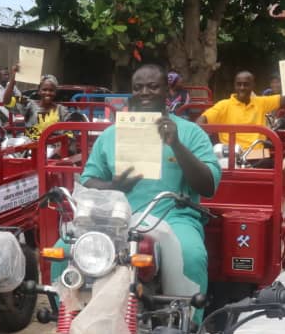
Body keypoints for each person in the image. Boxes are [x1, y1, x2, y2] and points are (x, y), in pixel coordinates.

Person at [71, 64, 220, 301]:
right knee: (66, 247)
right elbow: (88, 179)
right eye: (138, 87)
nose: (145, 92)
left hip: (173, 217)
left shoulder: (190, 132)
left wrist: (176, 145)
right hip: (116, 217)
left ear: (168, 92)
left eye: (153, 86)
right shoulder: (112, 133)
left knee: (191, 255)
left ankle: (188, 324)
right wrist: (113, 187)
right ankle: (69, 319)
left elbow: (208, 186)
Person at [198, 71, 285, 152]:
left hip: (256, 154)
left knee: (278, 167)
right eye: (239, 84)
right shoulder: (223, 105)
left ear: (253, 86)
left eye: (246, 84)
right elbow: (202, 120)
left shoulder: (261, 102)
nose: (242, 88)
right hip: (231, 156)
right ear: (234, 86)